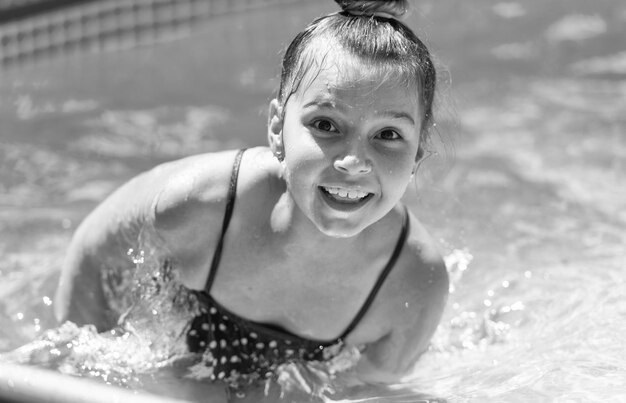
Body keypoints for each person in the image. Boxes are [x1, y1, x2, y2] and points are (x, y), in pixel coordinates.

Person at [53, 0, 449, 393]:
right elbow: (93, 252)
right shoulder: (202, 205)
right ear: (277, 128)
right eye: (326, 125)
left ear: (417, 152)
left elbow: (359, 392)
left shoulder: (413, 285)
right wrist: (77, 378)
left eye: (388, 135)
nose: (352, 161)